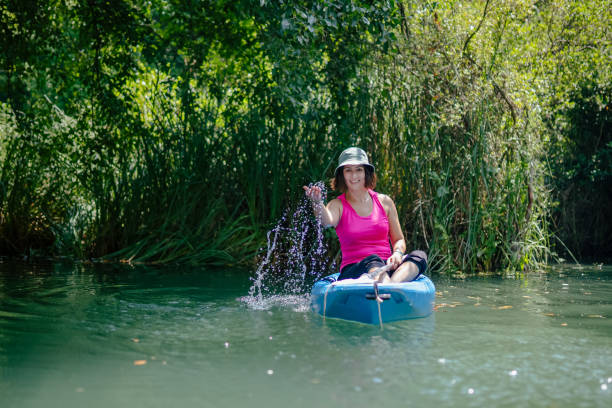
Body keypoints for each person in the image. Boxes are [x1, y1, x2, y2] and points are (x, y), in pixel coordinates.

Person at [303, 147, 427, 283]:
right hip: (354, 270)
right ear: (342, 175)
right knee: (373, 260)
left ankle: (391, 286)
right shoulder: (337, 204)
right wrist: (317, 203)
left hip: (386, 266)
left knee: (419, 256)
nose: (354, 175)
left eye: (358, 170)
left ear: (366, 172)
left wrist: (397, 253)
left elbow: (398, 239)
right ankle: (387, 287)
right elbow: (326, 221)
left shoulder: (385, 202)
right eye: (348, 170)